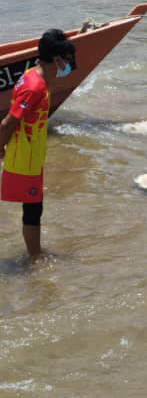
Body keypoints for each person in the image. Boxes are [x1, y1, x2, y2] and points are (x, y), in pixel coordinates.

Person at [0, 28, 75, 259]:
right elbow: (7, 123)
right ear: (57, 59)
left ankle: (35, 253)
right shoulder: (35, 87)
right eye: (67, 59)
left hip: (32, 155)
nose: (69, 64)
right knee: (33, 208)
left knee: (34, 206)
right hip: (24, 157)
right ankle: (35, 258)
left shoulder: (33, 75)